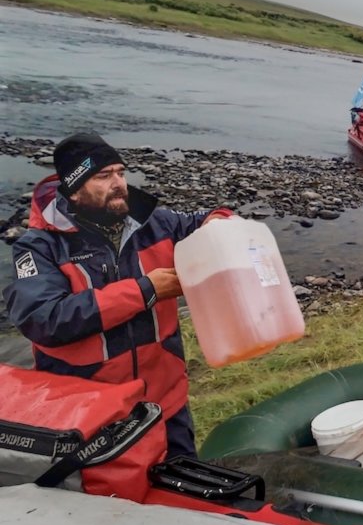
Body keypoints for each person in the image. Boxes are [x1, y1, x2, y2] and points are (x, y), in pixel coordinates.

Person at [4, 133, 233, 458]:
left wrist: (220, 223)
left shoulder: (154, 222)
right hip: (91, 414)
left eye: (120, 172)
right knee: (110, 504)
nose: (119, 183)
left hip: (165, 403)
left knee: (184, 495)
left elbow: (204, 220)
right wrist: (147, 290)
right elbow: (45, 320)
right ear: (74, 187)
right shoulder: (41, 246)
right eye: (103, 176)